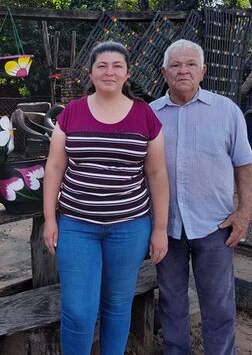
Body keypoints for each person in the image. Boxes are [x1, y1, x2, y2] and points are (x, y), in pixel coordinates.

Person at [42, 41, 169, 355]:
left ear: (127, 73)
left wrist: (160, 228)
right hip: (76, 226)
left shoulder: (145, 116)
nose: (109, 72)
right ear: (90, 72)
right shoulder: (71, 113)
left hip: (130, 228)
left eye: (117, 66)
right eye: (102, 66)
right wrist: (49, 219)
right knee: (78, 311)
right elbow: (55, 166)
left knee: (116, 304)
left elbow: (156, 174)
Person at [150, 39, 252, 355]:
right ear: (164, 72)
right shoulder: (149, 115)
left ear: (203, 70)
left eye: (191, 64)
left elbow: (246, 166)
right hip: (166, 228)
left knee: (219, 304)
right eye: (176, 65)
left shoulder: (227, 112)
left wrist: (244, 213)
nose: (183, 70)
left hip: (215, 225)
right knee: (171, 300)